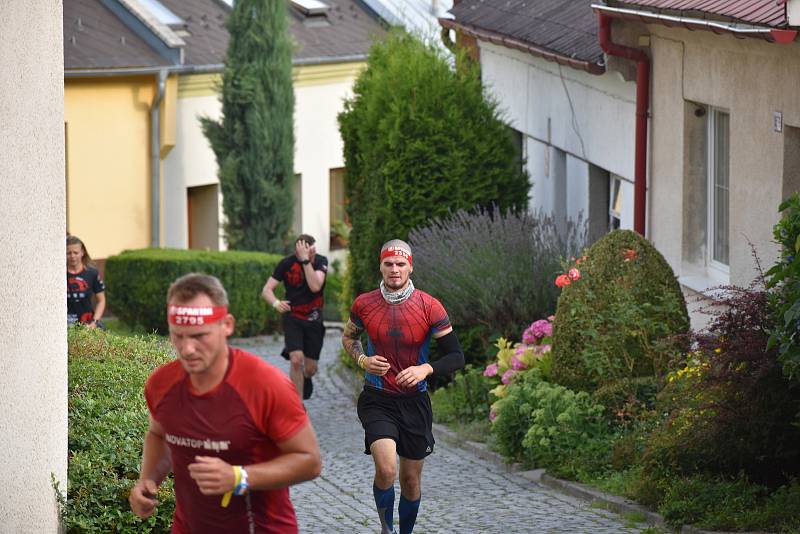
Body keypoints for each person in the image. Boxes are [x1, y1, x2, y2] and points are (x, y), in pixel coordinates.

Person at [129, 273, 322, 533]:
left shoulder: (266, 384)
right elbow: (159, 435)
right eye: (179, 336)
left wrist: (239, 477)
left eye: (199, 335)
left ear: (226, 325)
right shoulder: (161, 383)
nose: (187, 349)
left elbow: (310, 461)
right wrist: (148, 481)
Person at [342, 239, 465, 534]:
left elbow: (456, 356)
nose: (394, 270)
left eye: (400, 264)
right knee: (386, 469)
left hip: (415, 402)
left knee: (410, 482)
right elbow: (349, 338)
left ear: (410, 266)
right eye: (388, 264)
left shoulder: (429, 306)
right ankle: (387, 528)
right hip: (377, 399)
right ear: (380, 266)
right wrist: (362, 360)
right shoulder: (364, 303)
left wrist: (425, 369)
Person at [262, 234, 328, 400]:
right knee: (296, 359)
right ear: (298, 250)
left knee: (311, 367)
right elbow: (266, 290)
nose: (311, 254)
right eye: (307, 251)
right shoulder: (286, 264)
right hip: (293, 318)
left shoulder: (320, 261)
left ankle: (306, 377)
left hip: (314, 320)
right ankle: (297, 406)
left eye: (313, 250)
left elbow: (315, 286)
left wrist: (306, 261)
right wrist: (276, 303)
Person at [66, 235, 106, 328]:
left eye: (76, 253)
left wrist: (95, 322)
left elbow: (101, 300)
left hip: (88, 324)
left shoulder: (92, 273)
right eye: (68, 253)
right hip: (66, 326)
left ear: (82, 252)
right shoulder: (59, 275)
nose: (72, 256)